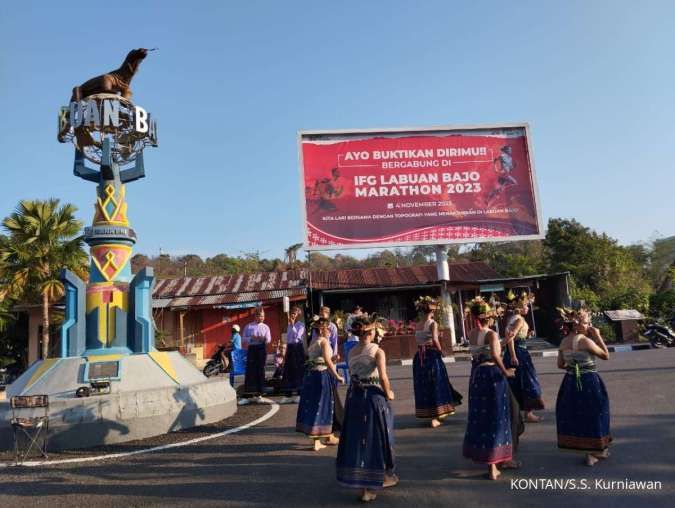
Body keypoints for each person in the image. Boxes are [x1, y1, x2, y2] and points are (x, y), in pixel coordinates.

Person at [336, 315, 397, 502]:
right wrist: (389, 393)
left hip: (354, 398)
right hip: (372, 398)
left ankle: (363, 482)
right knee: (375, 439)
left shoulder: (351, 352)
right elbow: (383, 378)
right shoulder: (378, 351)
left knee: (357, 439)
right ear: (371, 332)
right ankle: (372, 485)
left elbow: (353, 374)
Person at [462, 296, 520, 480]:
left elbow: (485, 351)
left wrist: (505, 341)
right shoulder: (491, 334)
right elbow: (494, 355)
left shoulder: (472, 333)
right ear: (490, 317)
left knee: (484, 417)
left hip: (477, 376)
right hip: (492, 376)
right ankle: (494, 465)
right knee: (499, 417)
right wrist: (506, 372)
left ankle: (497, 461)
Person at [556, 307, 611, 466]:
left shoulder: (563, 342)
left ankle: (589, 450)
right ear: (578, 325)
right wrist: (598, 336)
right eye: (587, 323)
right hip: (588, 380)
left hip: (570, 381)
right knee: (595, 412)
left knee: (579, 413)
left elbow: (560, 364)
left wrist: (574, 366)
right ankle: (593, 453)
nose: (589, 325)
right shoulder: (586, 341)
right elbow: (606, 355)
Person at [412, 296, 462, 428]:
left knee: (424, 385)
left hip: (419, 357)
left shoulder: (417, 324)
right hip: (431, 355)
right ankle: (437, 415)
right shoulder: (433, 324)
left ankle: (429, 413)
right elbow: (434, 339)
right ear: (432, 311)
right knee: (437, 382)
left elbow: (420, 339)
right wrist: (441, 350)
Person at [296, 317, 344, 451]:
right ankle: (317, 442)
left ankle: (329, 436)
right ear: (322, 330)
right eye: (328, 328)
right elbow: (327, 363)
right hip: (321, 376)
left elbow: (321, 359)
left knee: (318, 405)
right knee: (321, 407)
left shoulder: (314, 342)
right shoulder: (323, 342)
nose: (330, 331)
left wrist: (333, 359)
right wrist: (337, 376)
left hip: (312, 376)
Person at [503, 292, 545, 422]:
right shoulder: (519, 319)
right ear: (520, 306)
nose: (528, 308)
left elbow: (514, 336)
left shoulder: (512, 318)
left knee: (516, 382)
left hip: (516, 351)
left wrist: (526, 335)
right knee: (527, 381)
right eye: (526, 305)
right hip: (519, 352)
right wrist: (514, 355)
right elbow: (510, 337)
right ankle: (528, 414)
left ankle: (517, 413)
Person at [238, 308, 271, 406]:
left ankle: (259, 395)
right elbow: (243, 339)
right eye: (260, 315)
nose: (262, 317)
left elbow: (269, 339)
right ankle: (247, 396)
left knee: (260, 371)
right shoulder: (249, 326)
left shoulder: (266, 327)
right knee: (251, 371)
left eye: (263, 316)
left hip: (262, 350)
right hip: (252, 350)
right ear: (255, 316)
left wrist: (264, 339)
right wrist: (251, 338)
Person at [280, 306, 306, 404]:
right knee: (288, 371)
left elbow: (297, 336)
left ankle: (300, 394)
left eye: (294, 313)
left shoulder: (301, 325)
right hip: (290, 348)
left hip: (298, 349)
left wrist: (292, 325)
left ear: (298, 315)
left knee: (299, 371)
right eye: (292, 313)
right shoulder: (289, 325)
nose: (292, 315)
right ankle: (288, 395)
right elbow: (288, 339)